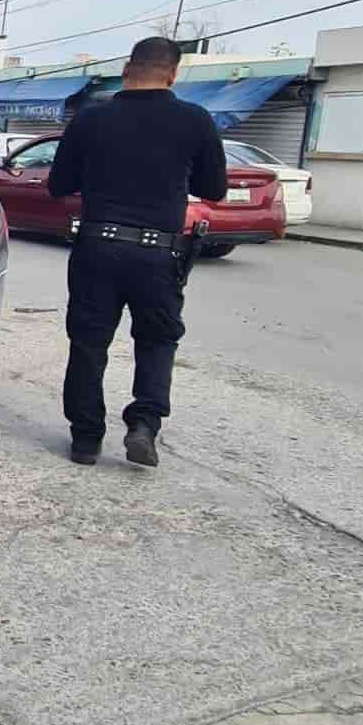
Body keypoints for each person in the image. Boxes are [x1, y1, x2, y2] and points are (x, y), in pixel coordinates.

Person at [47, 36, 227, 468]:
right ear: (173, 73)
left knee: (88, 343)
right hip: (159, 254)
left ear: (127, 69)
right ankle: (144, 424)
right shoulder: (195, 121)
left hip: (97, 248)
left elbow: (57, 185)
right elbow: (214, 189)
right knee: (157, 340)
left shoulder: (90, 120)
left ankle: (86, 440)